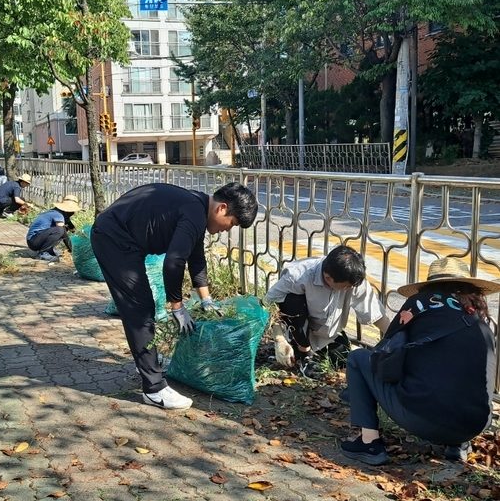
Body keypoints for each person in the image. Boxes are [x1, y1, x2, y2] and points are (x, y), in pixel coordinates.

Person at [90, 182, 258, 410]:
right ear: (222, 208)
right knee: (139, 310)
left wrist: (206, 300)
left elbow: (196, 259)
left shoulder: (198, 206)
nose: (227, 230)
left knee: (142, 308)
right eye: (232, 223)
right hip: (114, 239)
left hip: (123, 236)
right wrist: (177, 307)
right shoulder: (194, 212)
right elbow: (174, 262)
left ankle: (147, 364)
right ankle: (154, 388)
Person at [341, 257, 499, 465]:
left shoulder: (420, 303)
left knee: (358, 358)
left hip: (422, 417)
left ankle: (369, 443)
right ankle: (457, 445)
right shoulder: (480, 319)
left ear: (430, 284)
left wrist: (359, 389)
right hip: (475, 424)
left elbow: (385, 352)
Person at [264, 245, 389, 377]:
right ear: (328, 278)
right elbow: (268, 304)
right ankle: (303, 353)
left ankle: (316, 352)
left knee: (342, 360)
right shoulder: (299, 275)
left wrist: (398, 337)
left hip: (328, 335)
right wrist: (279, 340)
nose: (349, 288)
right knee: (292, 300)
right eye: (346, 286)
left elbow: (377, 315)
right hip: (298, 329)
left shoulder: (353, 279)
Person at [26, 195, 81, 262]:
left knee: (63, 229)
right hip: (33, 240)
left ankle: (48, 250)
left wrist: (80, 237)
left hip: (36, 239)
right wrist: (72, 249)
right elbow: (63, 233)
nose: (73, 212)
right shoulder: (58, 214)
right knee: (60, 230)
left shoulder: (59, 213)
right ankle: (43, 253)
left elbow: (72, 229)